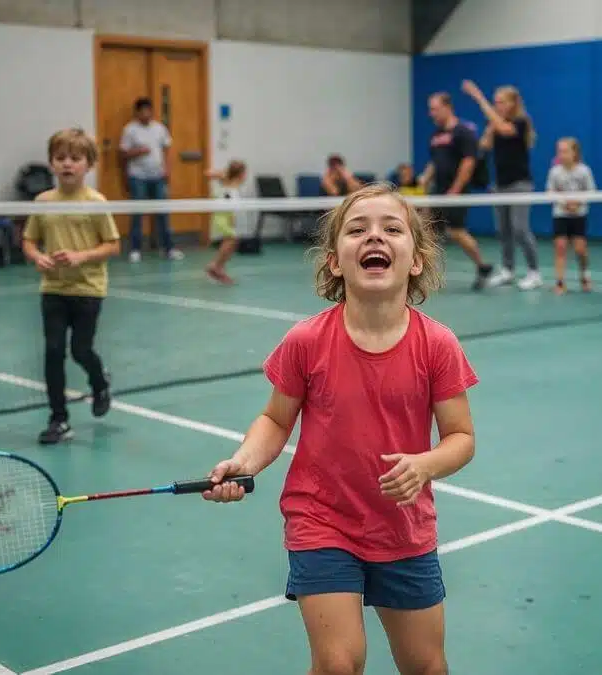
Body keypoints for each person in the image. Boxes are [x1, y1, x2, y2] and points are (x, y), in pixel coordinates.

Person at [202, 183, 479, 675]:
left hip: (403, 527)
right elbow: (275, 419)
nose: (375, 237)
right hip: (321, 520)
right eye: (358, 230)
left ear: (416, 260)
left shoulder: (437, 344)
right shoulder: (306, 340)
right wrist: (244, 460)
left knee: (427, 667)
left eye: (392, 229)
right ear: (335, 261)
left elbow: (461, 438)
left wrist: (424, 465)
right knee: (337, 665)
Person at [21, 128, 121, 444]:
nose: (67, 164)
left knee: (80, 349)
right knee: (53, 351)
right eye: (60, 157)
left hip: (88, 289)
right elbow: (28, 240)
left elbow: (112, 245)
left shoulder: (96, 202)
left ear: (88, 164)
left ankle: (99, 382)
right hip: (53, 289)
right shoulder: (43, 202)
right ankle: (58, 419)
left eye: (75, 158)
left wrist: (81, 257)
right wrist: (37, 256)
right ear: (52, 163)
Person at [462, 80, 542, 291]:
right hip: (500, 186)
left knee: (520, 229)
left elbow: (505, 130)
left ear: (513, 103)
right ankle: (508, 270)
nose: (497, 105)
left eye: (501, 102)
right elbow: (484, 146)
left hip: (520, 184)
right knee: (503, 230)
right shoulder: (495, 124)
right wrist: (483, 131)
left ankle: (534, 272)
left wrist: (479, 98)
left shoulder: (521, 122)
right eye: (495, 102)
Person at [418, 92, 494, 291]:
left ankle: (482, 266)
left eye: (434, 109)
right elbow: (435, 161)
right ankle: (424, 274)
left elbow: (469, 162)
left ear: (447, 107)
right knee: (426, 231)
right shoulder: (436, 135)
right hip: (438, 191)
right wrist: (425, 178)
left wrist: (456, 189)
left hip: (456, 192)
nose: (431, 113)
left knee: (456, 231)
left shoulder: (463, 132)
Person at [120, 97, 183, 262]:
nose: (146, 114)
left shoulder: (160, 128)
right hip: (137, 176)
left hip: (158, 176)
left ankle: (168, 248)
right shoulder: (129, 130)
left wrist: (168, 170)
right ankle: (135, 249)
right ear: (137, 112)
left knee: (163, 212)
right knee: (138, 213)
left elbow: (167, 150)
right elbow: (123, 154)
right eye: (143, 111)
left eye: (149, 110)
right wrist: (138, 152)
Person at [545, 137, 596, 294]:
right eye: (559, 151)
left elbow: (592, 192)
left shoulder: (584, 171)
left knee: (580, 249)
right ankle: (560, 282)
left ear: (575, 153)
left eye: (565, 151)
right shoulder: (554, 172)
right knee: (560, 247)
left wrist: (578, 203)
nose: (561, 154)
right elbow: (549, 192)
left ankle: (585, 276)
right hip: (560, 214)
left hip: (579, 215)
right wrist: (564, 203)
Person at [205, 159, 253, 284]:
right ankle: (215, 266)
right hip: (222, 217)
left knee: (233, 241)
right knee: (231, 239)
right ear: (241, 173)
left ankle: (218, 268)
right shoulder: (226, 182)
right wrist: (225, 173)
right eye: (244, 172)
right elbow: (208, 173)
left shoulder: (235, 185)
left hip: (230, 217)